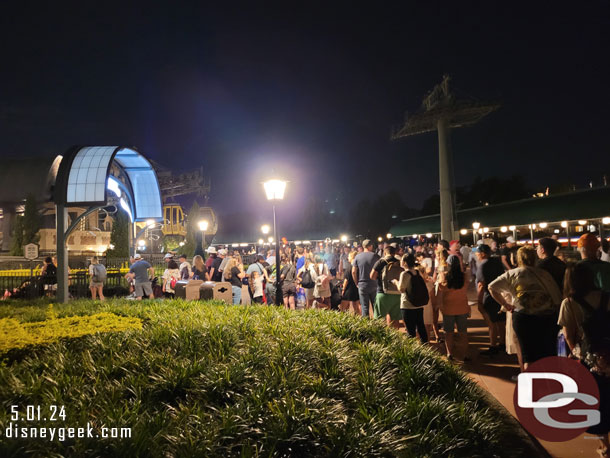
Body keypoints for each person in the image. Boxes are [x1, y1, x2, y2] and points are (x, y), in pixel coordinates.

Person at [558, 263, 610, 456]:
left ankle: (605, 446)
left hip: (589, 359)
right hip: (608, 353)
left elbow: (569, 335)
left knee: (597, 401)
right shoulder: (606, 296)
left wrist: (576, 355)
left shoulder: (569, 303)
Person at [488, 246, 562, 368]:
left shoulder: (512, 274)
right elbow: (556, 296)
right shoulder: (544, 274)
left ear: (518, 258)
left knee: (528, 354)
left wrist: (505, 304)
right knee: (548, 353)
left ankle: (529, 384)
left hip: (523, 317)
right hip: (547, 317)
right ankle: (549, 382)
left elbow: (492, 287)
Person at [476, 244, 506, 355]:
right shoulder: (497, 262)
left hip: (488, 297)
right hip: (500, 295)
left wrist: (479, 301)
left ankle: (493, 346)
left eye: (478, 253)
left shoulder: (483, 266)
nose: (477, 255)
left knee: (491, 324)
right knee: (501, 322)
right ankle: (502, 344)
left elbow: (481, 285)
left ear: (483, 254)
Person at [440, 255, 470, 362]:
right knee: (463, 332)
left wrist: (440, 275)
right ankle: (465, 354)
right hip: (462, 307)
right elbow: (466, 286)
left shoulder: (445, 276)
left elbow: (441, 287)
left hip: (448, 308)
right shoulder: (464, 276)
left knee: (449, 332)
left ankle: (450, 354)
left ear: (448, 264)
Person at [395, 254, 428, 343]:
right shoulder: (417, 272)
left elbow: (401, 289)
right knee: (421, 327)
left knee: (410, 330)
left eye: (401, 260)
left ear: (405, 262)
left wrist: (395, 282)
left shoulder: (404, 274)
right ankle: (425, 347)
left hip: (407, 305)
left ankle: (413, 351)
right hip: (418, 304)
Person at [371, 245, 402, 328]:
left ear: (385, 252)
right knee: (395, 319)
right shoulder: (399, 262)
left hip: (383, 293)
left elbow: (372, 276)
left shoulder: (381, 262)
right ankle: (395, 338)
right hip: (396, 293)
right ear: (394, 253)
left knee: (380, 319)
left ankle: (383, 338)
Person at [352, 240, 380, 318]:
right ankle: (378, 326)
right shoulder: (376, 256)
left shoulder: (357, 257)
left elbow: (353, 271)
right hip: (374, 284)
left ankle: (367, 327)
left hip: (362, 284)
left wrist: (356, 283)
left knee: (364, 307)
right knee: (376, 307)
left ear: (363, 247)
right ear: (370, 246)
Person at [340, 250, 361, 315]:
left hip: (349, 289)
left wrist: (343, 289)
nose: (348, 258)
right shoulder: (358, 267)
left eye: (349, 256)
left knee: (343, 306)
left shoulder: (349, 267)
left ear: (352, 257)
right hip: (356, 288)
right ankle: (358, 319)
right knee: (356, 306)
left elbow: (346, 280)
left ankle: (343, 319)